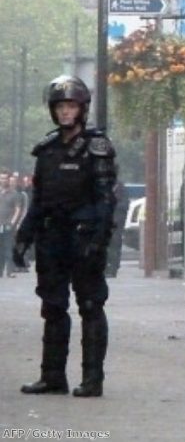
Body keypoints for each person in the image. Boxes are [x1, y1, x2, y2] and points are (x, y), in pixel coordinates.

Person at [12, 75, 118, 398]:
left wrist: (99, 240)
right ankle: (53, 376)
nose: (65, 112)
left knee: (90, 305)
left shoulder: (96, 148)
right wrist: (23, 237)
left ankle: (92, 378)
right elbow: (39, 201)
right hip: (52, 238)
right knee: (53, 307)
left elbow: (105, 200)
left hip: (84, 236)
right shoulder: (46, 150)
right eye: (60, 107)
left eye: (71, 106)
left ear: (82, 109)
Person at [0, 168, 27, 277]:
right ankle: (0, 271)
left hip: (7, 225)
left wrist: (13, 223)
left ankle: (10, 271)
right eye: (1, 178)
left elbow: (18, 209)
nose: (3, 180)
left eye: (5, 178)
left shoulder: (14, 194)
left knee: (8, 248)